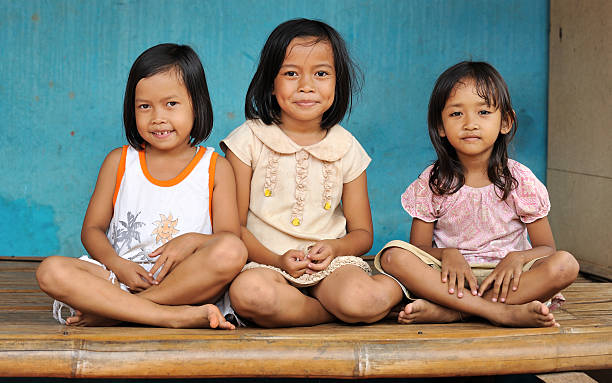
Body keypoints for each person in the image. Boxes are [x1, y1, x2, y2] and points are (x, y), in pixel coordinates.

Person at [36, 44, 247, 329]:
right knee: (51, 271)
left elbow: (228, 236)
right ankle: (168, 317)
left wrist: (192, 241)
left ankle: (121, 312)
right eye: (144, 106)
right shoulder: (119, 162)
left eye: (171, 104)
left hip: (184, 285)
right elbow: (92, 230)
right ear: (131, 109)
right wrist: (117, 264)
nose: (157, 117)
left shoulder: (215, 167)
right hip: (119, 279)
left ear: (197, 105)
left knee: (231, 251)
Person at [221, 18, 402, 327]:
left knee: (363, 298)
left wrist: (334, 248)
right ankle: (325, 313)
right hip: (265, 263)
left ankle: (405, 290)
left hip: (330, 267)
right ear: (270, 82)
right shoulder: (247, 140)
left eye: (321, 74)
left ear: (337, 82)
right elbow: (232, 228)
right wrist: (276, 260)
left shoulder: (346, 147)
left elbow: (362, 235)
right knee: (251, 295)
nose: (306, 86)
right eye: (291, 74)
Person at [375, 61, 579, 328]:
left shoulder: (520, 181)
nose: (470, 124)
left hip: (508, 282)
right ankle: (496, 312)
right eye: (457, 114)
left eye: (483, 112)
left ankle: (455, 312)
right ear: (440, 126)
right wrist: (447, 254)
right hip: (449, 280)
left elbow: (547, 249)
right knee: (393, 256)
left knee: (566, 264)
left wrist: (516, 258)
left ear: (505, 121)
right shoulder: (433, 182)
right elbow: (419, 250)